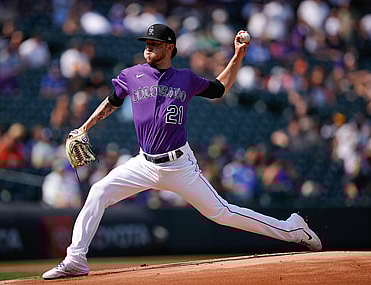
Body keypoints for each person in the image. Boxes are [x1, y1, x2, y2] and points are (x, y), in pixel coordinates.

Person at [42, 24, 322, 280]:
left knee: (222, 213)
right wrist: (84, 127)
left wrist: (237, 55)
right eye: (146, 43)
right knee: (98, 192)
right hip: (144, 163)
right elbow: (111, 101)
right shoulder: (132, 74)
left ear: (170, 48)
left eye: (155, 43)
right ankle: (76, 259)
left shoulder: (185, 78)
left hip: (179, 165)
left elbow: (219, 88)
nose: (148, 47)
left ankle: (292, 229)